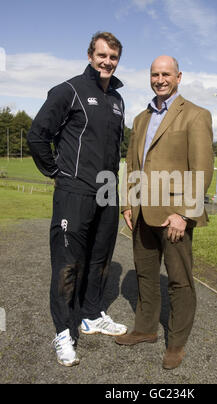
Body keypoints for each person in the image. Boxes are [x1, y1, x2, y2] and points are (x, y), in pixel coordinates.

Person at [27, 32, 127, 367]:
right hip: (74, 191)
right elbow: (38, 134)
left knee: (100, 259)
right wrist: (57, 172)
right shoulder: (68, 91)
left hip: (107, 191)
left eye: (113, 57)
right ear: (90, 55)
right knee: (68, 265)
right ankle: (63, 331)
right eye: (102, 55)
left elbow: (114, 149)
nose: (107, 62)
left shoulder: (117, 99)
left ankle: (91, 314)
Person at [116, 55, 214, 370]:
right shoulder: (141, 118)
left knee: (179, 280)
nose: (160, 79)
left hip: (174, 215)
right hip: (142, 211)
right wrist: (128, 204)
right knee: (145, 275)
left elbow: (202, 169)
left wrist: (184, 214)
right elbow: (132, 163)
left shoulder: (196, 115)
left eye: (166, 74)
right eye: (155, 74)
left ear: (179, 76)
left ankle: (176, 343)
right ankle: (145, 330)